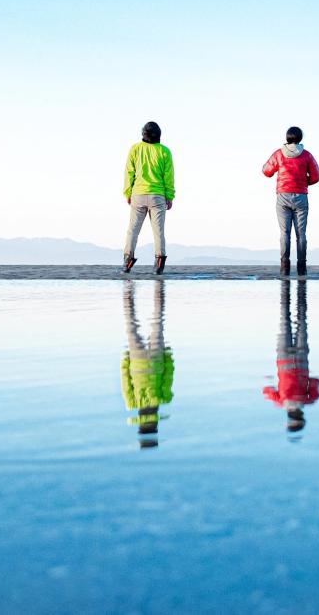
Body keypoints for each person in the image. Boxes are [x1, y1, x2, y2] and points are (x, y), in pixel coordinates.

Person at [261, 126, 319, 276]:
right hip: (301, 197)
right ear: (300, 138)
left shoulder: (278, 154)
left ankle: (284, 268)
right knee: (301, 234)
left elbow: (266, 171)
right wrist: (304, 181)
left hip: (283, 197)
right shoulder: (306, 155)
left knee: (284, 233)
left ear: (287, 138)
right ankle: (302, 269)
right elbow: (316, 176)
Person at [262, 279, 319, 434]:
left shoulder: (308, 400)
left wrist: (307, 382)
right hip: (283, 356)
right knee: (284, 318)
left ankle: (296, 289)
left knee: (301, 320)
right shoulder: (280, 401)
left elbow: (316, 382)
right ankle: (288, 288)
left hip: (301, 357)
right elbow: (266, 390)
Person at [121, 280, 173, 448]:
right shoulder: (132, 403)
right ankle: (133, 292)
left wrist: (168, 356)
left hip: (155, 359)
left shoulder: (163, 399)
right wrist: (126, 359)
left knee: (157, 323)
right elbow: (125, 380)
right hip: (137, 360)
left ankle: (157, 289)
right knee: (131, 323)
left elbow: (168, 376)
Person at [122, 121, 175, 274]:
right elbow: (169, 176)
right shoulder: (165, 151)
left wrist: (128, 192)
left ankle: (127, 263)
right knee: (158, 232)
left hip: (138, 194)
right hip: (158, 196)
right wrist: (170, 196)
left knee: (132, 230)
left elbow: (129, 172)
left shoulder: (135, 149)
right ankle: (159, 265)